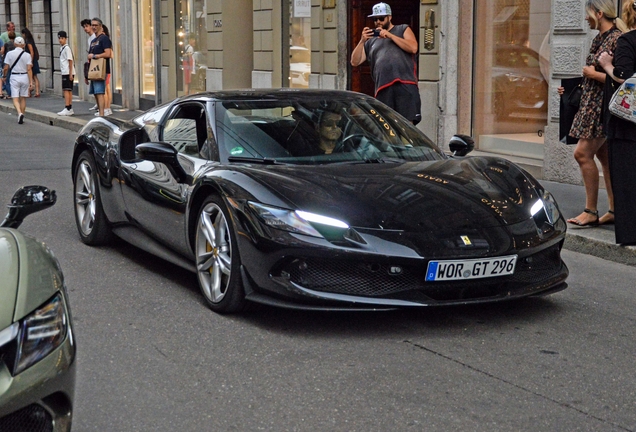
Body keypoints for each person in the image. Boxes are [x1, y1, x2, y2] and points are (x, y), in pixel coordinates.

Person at [560, 0, 624, 227]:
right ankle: (615, 210)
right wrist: (572, 88)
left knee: (582, 154)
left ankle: (590, 211)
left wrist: (593, 74)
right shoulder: (600, 38)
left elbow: (624, 80)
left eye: (588, 14)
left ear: (599, 13)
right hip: (592, 105)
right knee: (604, 158)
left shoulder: (617, 39)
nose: (585, 19)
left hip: (600, 109)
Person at [599, 1, 636, 245]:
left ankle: (631, 233)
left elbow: (623, 75)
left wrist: (606, 65)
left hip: (628, 124)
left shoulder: (629, 40)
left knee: (627, 179)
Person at [350, 2, 421, 125]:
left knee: (407, 125)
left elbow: (413, 48)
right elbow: (354, 62)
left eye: (381, 18)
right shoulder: (371, 41)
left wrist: (390, 35)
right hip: (383, 87)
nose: (378, 22)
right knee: (386, 126)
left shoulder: (402, 29)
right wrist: (362, 41)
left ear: (389, 17)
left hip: (405, 84)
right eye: (375, 19)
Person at [1, 36, 33, 124]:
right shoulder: (27, 55)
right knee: (23, 98)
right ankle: (22, 113)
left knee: (15, 98)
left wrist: (4, 76)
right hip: (24, 76)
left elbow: (6, 67)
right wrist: (31, 81)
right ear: (23, 45)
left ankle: (19, 113)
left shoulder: (9, 54)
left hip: (14, 76)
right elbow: (29, 69)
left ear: (15, 44)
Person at [87, 18, 113, 117]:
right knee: (95, 92)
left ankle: (102, 114)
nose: (93, 27)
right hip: (93, 69)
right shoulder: (93, 40)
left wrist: (95, 56)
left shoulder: (104, 39)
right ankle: (100, 112)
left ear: (101, 26)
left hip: (101, 69)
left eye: (96, 25)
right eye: (92, 25)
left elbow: (108, 53)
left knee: (100, 91)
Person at [57, 31, 75, 116]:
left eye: (62, 38)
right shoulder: (62, 48)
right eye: (59, 38)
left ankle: (67, 107)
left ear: (66, 39)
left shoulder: (67, 48)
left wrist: (70, 73)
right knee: (67, 89)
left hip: (67, 72)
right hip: (65, 71)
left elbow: (70, 60)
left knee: (66, 90)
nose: (60, 40)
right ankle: (69, 108)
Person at [81, 18, 98, 111]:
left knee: (98, 85)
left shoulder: (95, 37)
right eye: (84, 27)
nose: (85, 28)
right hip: (91, 62)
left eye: (87, 26)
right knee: (93, 85)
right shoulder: (89, 39)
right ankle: (97, 103)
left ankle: (102, 106)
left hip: (96, 61)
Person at [21, 28, 40, 97]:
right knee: (34, 76)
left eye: (23, 34)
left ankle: (30, 92)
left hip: (31, 60)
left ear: (24, 34)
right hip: (33, 60)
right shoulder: (31, 40)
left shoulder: (28, 41)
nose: (22, 36)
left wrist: (30, 61)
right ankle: (37, 92)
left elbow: (31, 52)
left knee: (31, 76)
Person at [101, 24, 112, 116]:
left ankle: (106, 108)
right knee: (106, 88)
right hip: (105, 68)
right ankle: (107, 108)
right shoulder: (106, 41)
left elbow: (110, 54)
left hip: (104, 68)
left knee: (104, 89)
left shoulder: (105, 41)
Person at [0, 31, 15, 98]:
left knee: (7, 78)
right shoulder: (16, 44)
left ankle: (10, 93)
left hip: (7, 62)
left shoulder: (7, 44)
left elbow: (3, 52)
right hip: (15, 63)